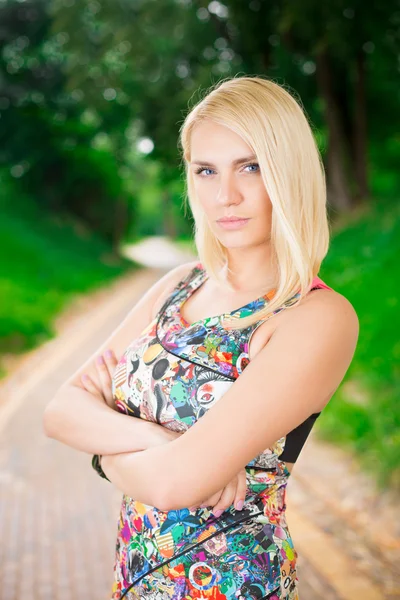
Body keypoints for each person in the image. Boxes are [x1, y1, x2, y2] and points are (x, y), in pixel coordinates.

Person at [43, 75, 359, 600]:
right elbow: (59, 410)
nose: (225, 195)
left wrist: (102, 444)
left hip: (233, 585)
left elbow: (174, 486)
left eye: (250, 167)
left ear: (289, 172)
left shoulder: (314, 317)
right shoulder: (180, 284)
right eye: (206, 170)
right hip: (138, 578)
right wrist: (155, 441)